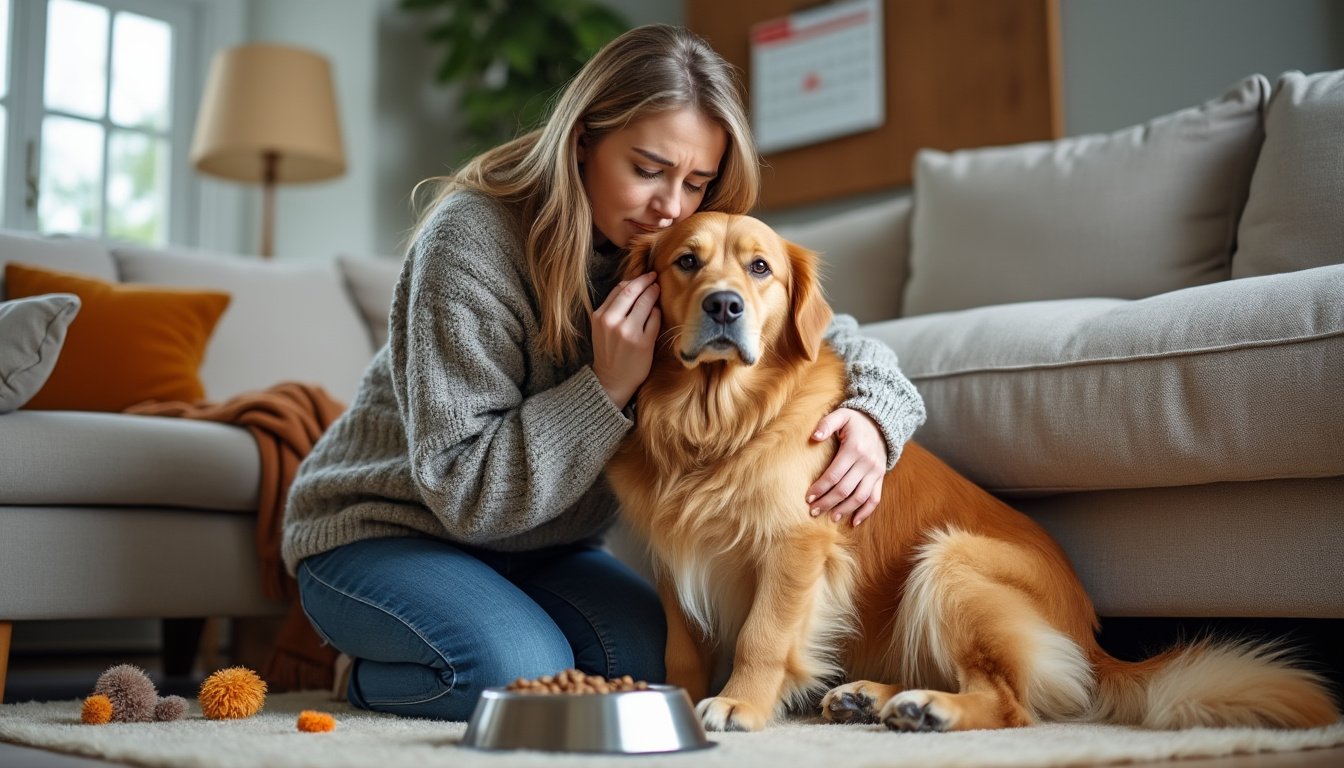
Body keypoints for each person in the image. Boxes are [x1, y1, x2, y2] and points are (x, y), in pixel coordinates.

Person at [281, 24, 926, 721]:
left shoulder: (673, 252)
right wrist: (606, 388)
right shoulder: (468, 244)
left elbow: (820, 331)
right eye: (648, 169)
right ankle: (360, 670)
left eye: (696, 182)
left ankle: (475, 630)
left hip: (544, 550)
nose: (671, 206)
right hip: (388, 532)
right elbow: (467, 497)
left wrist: (872, 415)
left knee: (652, 669)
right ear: (583, 140)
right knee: (513, 675)